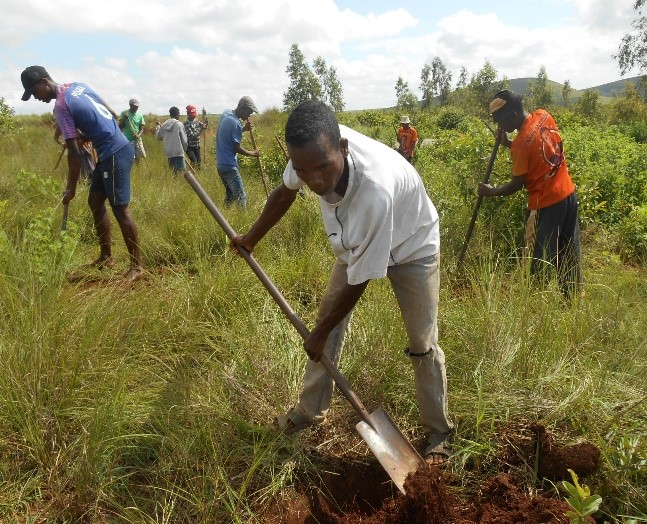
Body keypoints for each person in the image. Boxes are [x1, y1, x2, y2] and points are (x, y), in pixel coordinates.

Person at [230, 100, 453, 465]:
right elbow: (285, 193)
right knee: (326, 326)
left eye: (323, 168)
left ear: (344, 149)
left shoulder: (374, 191)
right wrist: (252, 236)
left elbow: (361, 279)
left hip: (414, 246)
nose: (315, 181)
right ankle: (309, 411)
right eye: (304, 170)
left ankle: (439, 434)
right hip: (358, 245)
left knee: (422, 342)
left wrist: (318, 333)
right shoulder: (308, 154)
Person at [21, 65, 142, 281]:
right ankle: (106, 257)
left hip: (115, 152)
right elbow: (103, 104)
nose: (35, 98)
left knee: (120, 209)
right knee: (95, 201)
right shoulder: (76, 86)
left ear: (44, 83)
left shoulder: (60, 106)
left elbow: (74, 154)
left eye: (34, 92)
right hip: (108, 152)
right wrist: (104, 122)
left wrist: (71, 188)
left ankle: (136, 267)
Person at [478, 89, 582, 297]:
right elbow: (536, 146)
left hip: (545, 205)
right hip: (568, 195)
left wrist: (492, 192)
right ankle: (571, 299)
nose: (500, 126)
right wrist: (509, 143)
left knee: (538, 259)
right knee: (568, 251)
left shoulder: (520, 145)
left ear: (514, 115)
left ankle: (534, 302)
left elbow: (517, 184)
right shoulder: (544, 115)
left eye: (501, 121)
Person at [215, 96, 260, 207]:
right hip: (229, 166)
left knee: (230, 195)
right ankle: (243, 220)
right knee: (241, 197)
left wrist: (243, 129)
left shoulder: (226, 113)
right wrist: (252, 153)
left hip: (221, 165)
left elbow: (228, 133)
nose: (248, 116)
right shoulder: (236, 123)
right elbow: (237, 148)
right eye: (249, 113)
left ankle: (224, 216)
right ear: (242, 108)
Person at [156, 106, 187, 174]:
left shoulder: (164, 125)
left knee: (174, 173)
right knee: (181, 173)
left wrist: (158, 126)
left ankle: (175, 184)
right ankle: (179, 184)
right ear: (177, 114)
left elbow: (159, 137)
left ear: (170, 114)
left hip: (169, 153)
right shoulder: (179, 124)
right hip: (178, 152)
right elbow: (184, 140)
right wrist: (184, 149)